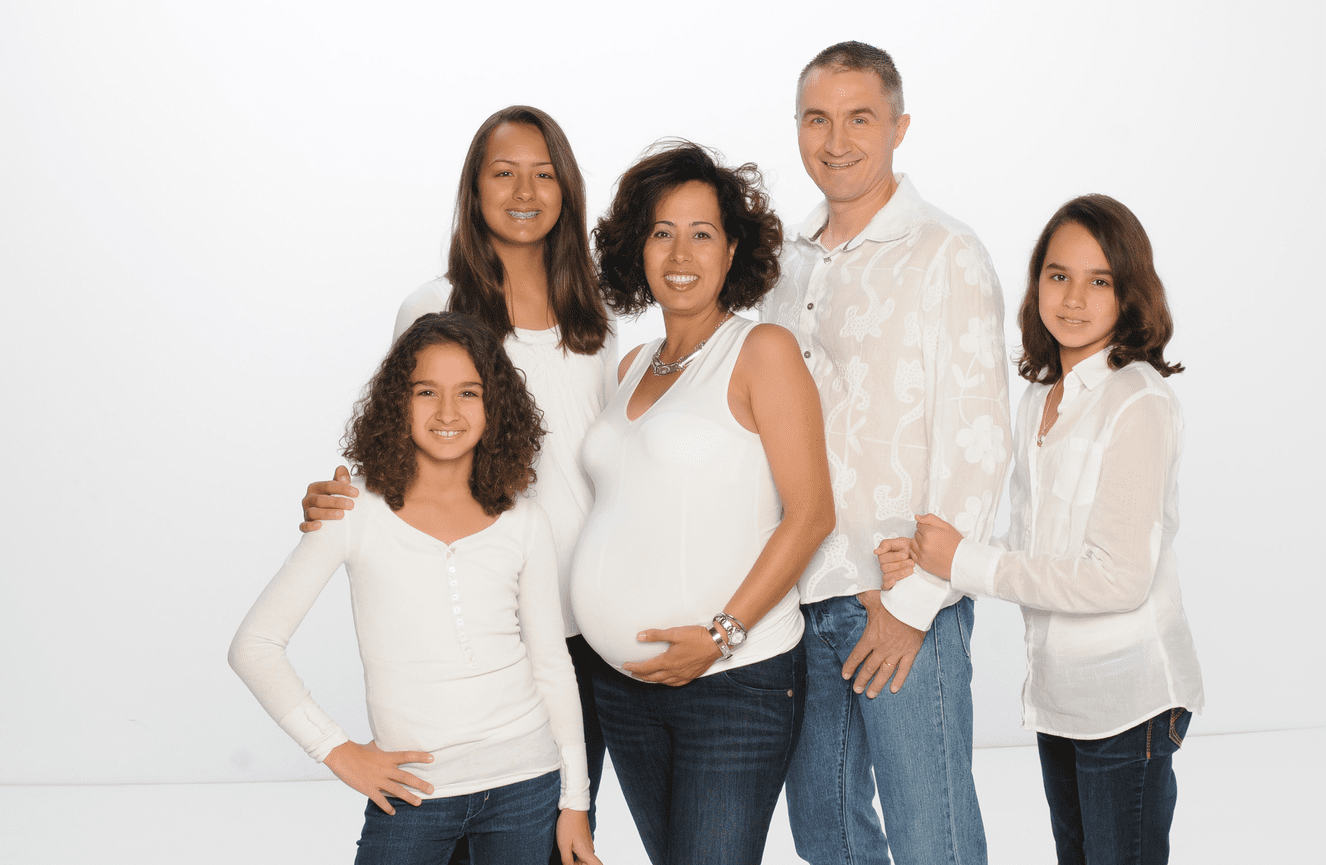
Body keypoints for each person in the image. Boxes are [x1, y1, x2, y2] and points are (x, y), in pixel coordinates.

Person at [298, 106, 616, 840]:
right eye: (503, 173)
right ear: (474, 192)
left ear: (566, 187)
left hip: (582, 627)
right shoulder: (434, 305)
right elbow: (393, 440)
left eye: (544, 173)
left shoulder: (593, 322)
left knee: (557, 830)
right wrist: (330, 500)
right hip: (477, 625)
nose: (525, 190)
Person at [883, 195, 1204, 865]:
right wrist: (930, 557)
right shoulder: (1040, 398)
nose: (1075, 298)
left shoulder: (1136, 400)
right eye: (1059, 276)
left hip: (1128, 702)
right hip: (1062, 700)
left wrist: (963, 560)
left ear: (1130, 291)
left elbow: (1117, 578)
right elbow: (1038, 551)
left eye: (1100, 280)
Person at [760, 42, 1011, 864]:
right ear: (796, 126)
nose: (837, 140)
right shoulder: (781, 265)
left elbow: (979, 440)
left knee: (931, 838)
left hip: (901, 601)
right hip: (800, 602)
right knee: (825, 833)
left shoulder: (946, 253)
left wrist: (914, 606)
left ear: (899, 127)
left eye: (859, 118)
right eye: (817, 119)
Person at [229, 313, 600, 865]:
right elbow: (254, 646)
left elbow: (550, 665)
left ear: (495, 406)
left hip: (528, 782)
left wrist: (574, 800)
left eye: (468, 393)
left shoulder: (524, 521)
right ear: (397, 404)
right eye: (426, 391)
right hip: (414, 792)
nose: (448, 412)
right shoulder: (353, 511)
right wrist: (338, 751)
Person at [571, 142, 834, 865]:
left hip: (731, 683)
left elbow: (811, 512)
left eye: (702, 232)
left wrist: (721, 634)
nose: (680, 251)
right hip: (624, 690)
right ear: (638, 247)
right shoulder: (629, 367)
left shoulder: (762, 351)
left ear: (732, 250)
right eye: (662, 231)